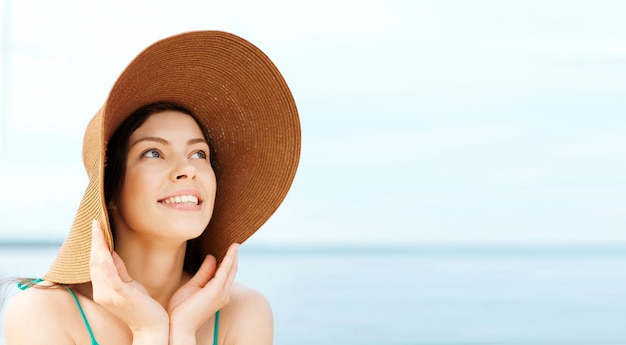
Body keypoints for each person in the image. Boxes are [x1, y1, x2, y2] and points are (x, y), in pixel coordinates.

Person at [2, 30, 301, 345]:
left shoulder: (243, 312)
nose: (188, 169)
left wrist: (183, 330)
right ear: (110, 188)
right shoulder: (42, 313)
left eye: (199, 153)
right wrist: (149, 331)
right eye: (153, 153)